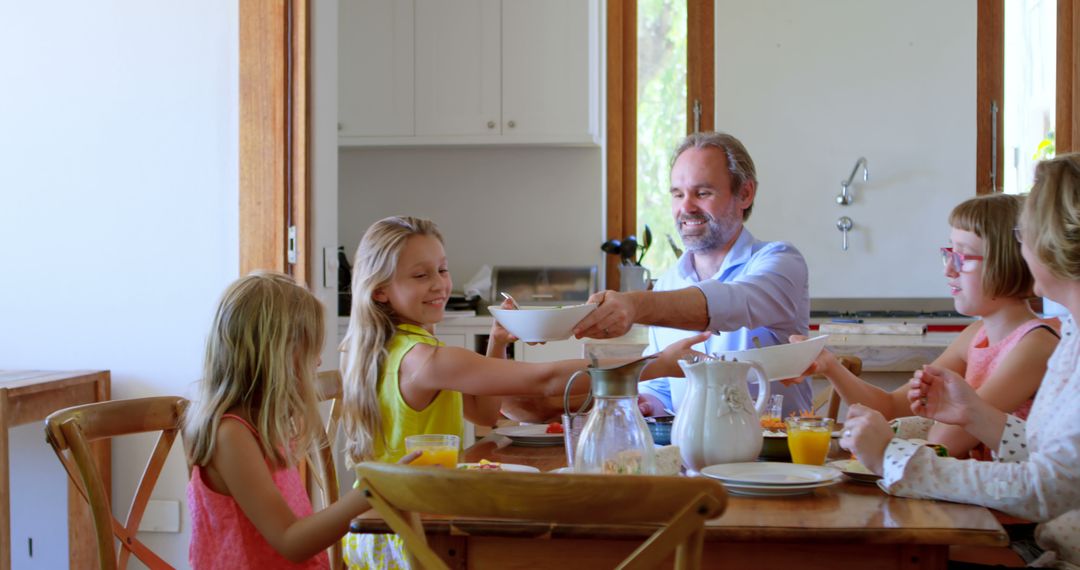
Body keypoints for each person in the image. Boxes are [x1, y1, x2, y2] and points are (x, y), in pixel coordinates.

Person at [339, 216, 706, 569]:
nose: (439, 284)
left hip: (388, 521)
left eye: (443, 269)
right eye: (421, 275)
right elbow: (543, 380)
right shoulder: (425, 359)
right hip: (408, 535)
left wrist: (498, 343)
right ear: (380, 291)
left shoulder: (397, 346)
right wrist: (654, 363)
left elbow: (483, 416)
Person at [842, 154, 1080, 568]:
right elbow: (1059, 464)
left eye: (1027, 231)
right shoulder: (1073, 334)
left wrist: (894, 459)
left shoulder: (1049, 338)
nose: (1022, 245)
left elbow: (1046, 488)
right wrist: (976, 415)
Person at [794, 194, 1059, 458]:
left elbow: (945, 443)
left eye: (963, 257)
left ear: (1007, 263)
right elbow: (889, 407)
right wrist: (829, 365)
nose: (949, 270)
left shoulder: (1035, 346)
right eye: (949, 254)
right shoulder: (974, 337)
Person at [184, 272, 418, 569]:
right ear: (276, 354)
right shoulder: (230, 435)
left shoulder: (265, 425)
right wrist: (375, 489)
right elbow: (290, 542)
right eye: (311, 349)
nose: (318, 361)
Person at [572, 131, 813, 418]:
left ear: (745, 194)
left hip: (772, 457)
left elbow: (732, 302)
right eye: (678, 194)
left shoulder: (781, 262)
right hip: (692, 458)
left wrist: (635, 304)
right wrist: (646, 403)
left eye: (702, 193)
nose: (685, 207)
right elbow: (663, 389)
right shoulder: (668, 283)